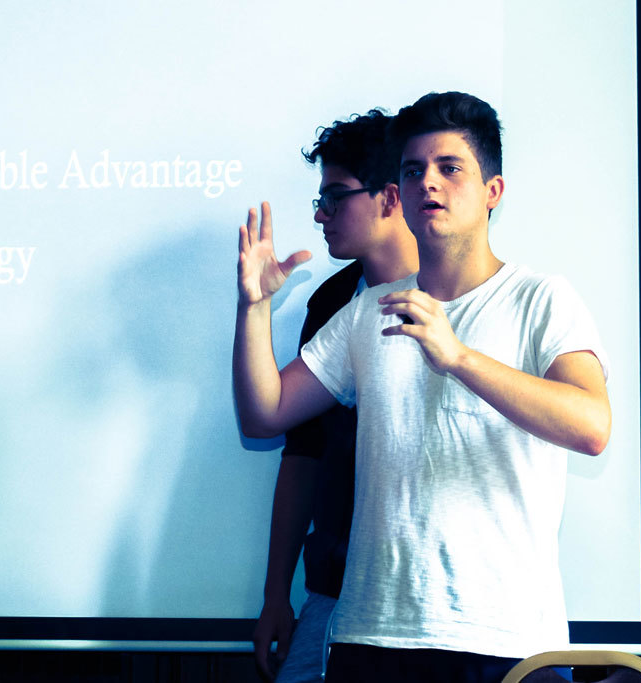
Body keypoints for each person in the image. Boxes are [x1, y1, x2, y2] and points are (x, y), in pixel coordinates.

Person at [234, 92, 611, 683]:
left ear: (493, 192)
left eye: (449, 168)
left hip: (504, 640)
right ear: (400, 194)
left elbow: (591, 426)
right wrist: (254, 309)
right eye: (413, 171)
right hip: (370, 636)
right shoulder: (368, 310)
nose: (428, 183)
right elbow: (266, 413)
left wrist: (459, 357)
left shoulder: (542, 299)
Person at [252, 109, 418, 683]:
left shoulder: (460, 293)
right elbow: (300, 451)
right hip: (333, 590)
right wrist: (277, 595)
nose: (320, 213)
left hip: (432, 607)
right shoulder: (333, 304)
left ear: (390, 198)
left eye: (335, 197)